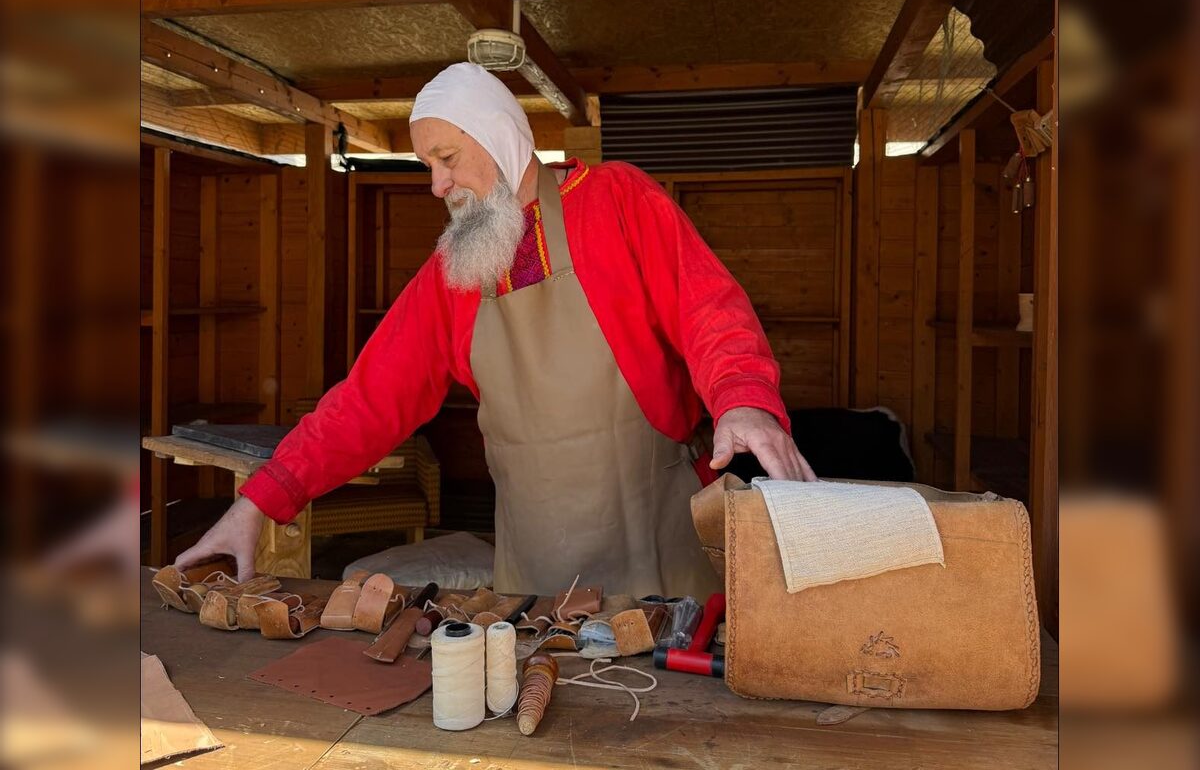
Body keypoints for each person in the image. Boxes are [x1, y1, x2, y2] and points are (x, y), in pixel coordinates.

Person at [177, 63, 815, 599]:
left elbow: (711, 310)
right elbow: (367, 401)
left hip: (660, 559)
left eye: (446, 158)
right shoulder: (451, 272)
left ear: (502, 137)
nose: (436, 185)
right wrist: (258, 505)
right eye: (428, 165)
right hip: (535, 582)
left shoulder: (617, 200)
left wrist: (744, 399)